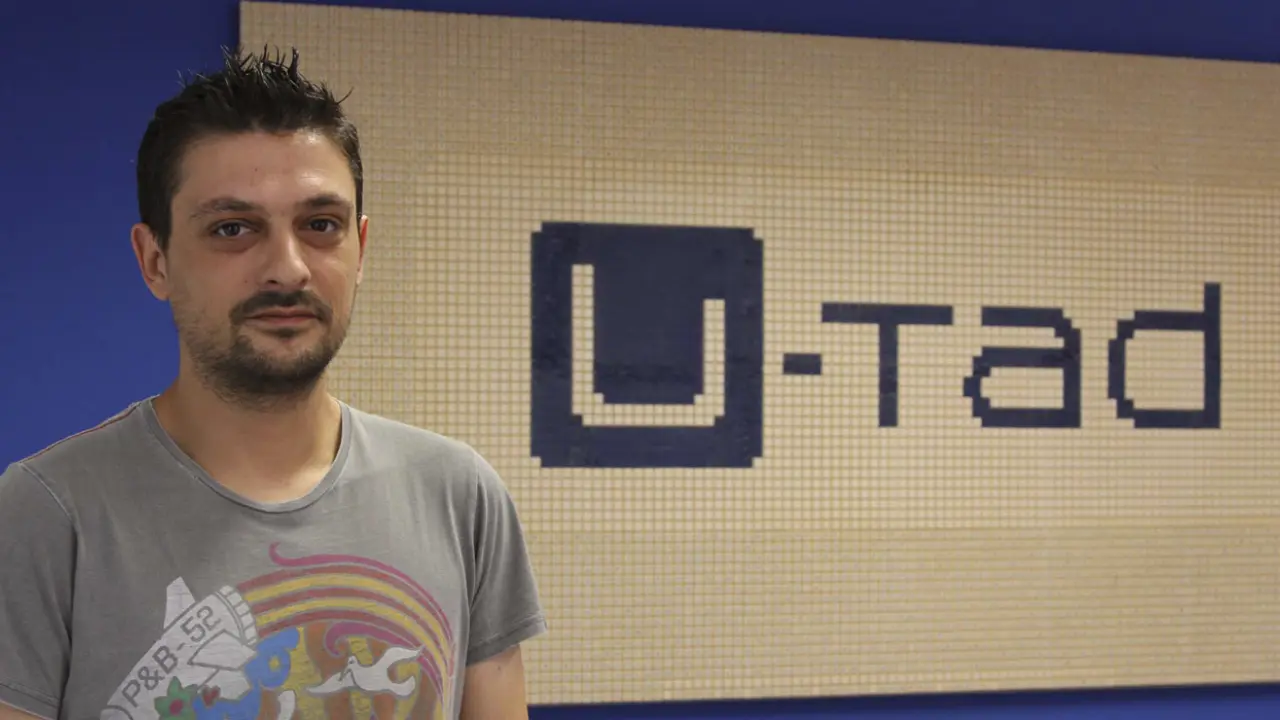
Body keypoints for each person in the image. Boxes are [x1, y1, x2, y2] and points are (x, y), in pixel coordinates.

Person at [0, 47, 546, 720]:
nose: (288, 268)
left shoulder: (460, 496)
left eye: (320, 226)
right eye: (233, 228)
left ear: (361, 249)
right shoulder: (46, 515)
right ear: (155, 260)